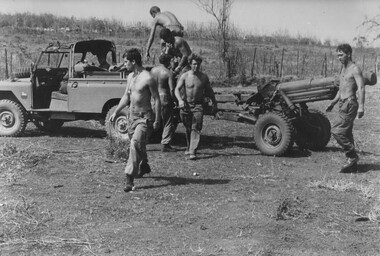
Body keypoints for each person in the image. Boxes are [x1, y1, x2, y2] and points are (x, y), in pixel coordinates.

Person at [109, 48, 161, 192]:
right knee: (138, 145)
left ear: (134, 61)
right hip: (132, 118)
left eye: (126, 61)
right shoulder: (130, 76)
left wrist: (157, 119)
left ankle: (129, 178)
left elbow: (157, 99)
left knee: (135, 143)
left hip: (144, 118)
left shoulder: (148, 78)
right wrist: (116, 111)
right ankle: (144, 164)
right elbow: (126, 96)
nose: (124, 64)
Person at [326, 43, 365, 173]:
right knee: (347, 133)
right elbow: (341, 89)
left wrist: (362, 106)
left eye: (341, 55)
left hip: (350, 103)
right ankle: (353, 165)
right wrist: (333, 102)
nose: (339, 58)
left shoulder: (355, 69)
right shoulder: (343, 69)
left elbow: (361, 88)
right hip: (342, 103)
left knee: (337, 131)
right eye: (337, 55)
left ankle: (352, 156)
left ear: (348, 54)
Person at [175, 53, 217, 160]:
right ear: (190, 64)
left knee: (196, 127)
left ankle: (193, 151)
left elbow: (209, 91)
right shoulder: (185, 76)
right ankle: (189, 146)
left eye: (198, 64)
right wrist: (180, 100)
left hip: (198, 106)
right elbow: (176, 89)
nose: (196, 66)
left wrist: (214, 103)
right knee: (188, 127)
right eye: (194, 64)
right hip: (185, 106)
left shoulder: (203, 77)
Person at [150, 54, 178, 152]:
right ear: (168, 61)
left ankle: (143, 139)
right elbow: (172, 89)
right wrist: (175, 100)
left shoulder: (153, 70)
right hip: (164, 97)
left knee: (152, 119)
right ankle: (165, 143)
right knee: (168, 121)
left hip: (154, 97)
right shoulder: (168, 73)